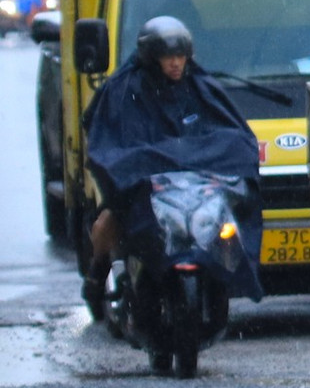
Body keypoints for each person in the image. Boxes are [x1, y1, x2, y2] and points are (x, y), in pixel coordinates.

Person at [82, 16, 262, 305]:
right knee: (108, 222)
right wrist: (130, 166)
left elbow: (232, 134)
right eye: (168, 57)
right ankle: (97, 274)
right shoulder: (123, 90)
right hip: (147, 190)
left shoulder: (202, 88)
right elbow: (104, 138)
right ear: (152, 57)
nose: (176, 64)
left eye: (180, 56)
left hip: (197, 190)